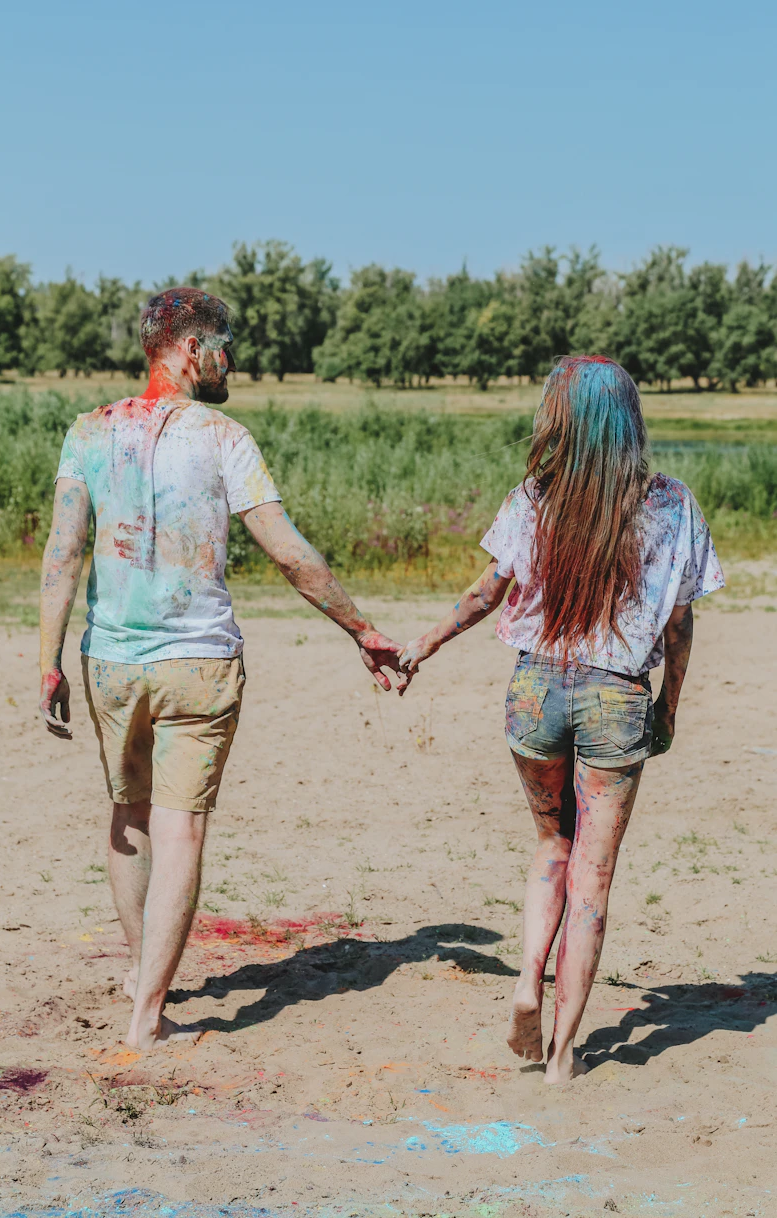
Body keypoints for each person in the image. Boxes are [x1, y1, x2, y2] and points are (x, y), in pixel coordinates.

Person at [39, 287, 407, 1050]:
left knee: (129, 816)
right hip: (198, 664)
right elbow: (286, 548)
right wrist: (359, 628)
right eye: (223, 344)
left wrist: (47, 663)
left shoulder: (88, 432)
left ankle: (147, 983)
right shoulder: (223, 437)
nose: (231, 358)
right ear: (187, 349)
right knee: (179, 831)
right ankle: (147, 1014)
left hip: (109, 659)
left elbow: (63, 552)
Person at [399, 355, 724, 1084]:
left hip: (534, 692)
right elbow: (679, 628)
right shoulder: (672, 503)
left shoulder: (535, 497)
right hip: (616, 697)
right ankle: (563, 1055)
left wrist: (423, 642)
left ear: (562, 418)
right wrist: (666, 708)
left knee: (552, 843)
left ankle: (525, 986)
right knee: (594, 878)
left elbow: (488, 591)